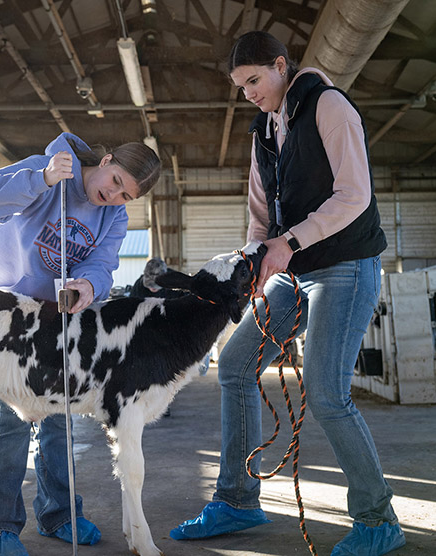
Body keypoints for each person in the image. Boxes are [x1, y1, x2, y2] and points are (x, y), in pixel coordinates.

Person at [170, 31, 405, 556]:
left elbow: (354, 195)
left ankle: (377, 519)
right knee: (235, 365)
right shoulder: (263, 130)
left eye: (254, 80)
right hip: (291, 274)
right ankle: (237, 500)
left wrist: (289, 241)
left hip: (345, 266)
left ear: (281, 66)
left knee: (326, 393)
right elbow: (260, 218)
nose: (248, 93)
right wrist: (254, 264)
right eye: (240, 86)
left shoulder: (329, 106)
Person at [0, 131, 161, 556]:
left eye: (124, 195)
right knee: (11, 422)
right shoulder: (49, 165)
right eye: (114, 181)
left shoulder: (115, 218)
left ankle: (58, 514)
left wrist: (89, 286)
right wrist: (42, 179)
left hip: (57, 318)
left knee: (60, 419)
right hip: (5, 312)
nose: (112, 196)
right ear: (106, 160)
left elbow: (103, 263)